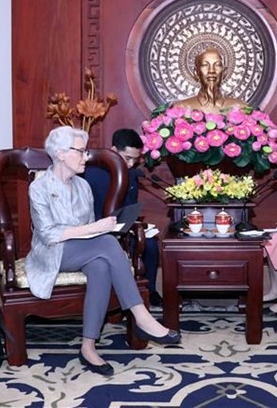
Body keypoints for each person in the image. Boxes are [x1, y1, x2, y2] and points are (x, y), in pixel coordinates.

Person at [26, 126, 180, 377]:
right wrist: (96, 227)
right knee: (107, 243)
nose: (86, 157)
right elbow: (48, 234)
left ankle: (88, 347)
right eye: (81, 152)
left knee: (100, 265)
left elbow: (88, 231)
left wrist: (100, 228)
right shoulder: (39, 187)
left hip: (81, 250)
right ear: (62, 153)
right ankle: (141, 317)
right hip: (51, 253)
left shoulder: (83, 186)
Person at [83, 128, 164, 308]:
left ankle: (149, 291)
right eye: (127, 158)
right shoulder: (89, 173)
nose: (130, 164)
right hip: (94, 231)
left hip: (123, 231)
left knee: (150, 243)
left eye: (135, 159)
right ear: (113, 150)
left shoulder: (131, 175)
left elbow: (128, 206)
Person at [173, 48, 247, 113]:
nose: (211, 70)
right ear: (196, 73)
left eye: (217, 65)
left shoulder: (241, 108)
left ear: (224, 73)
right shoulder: (180, 109)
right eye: (205, 65)